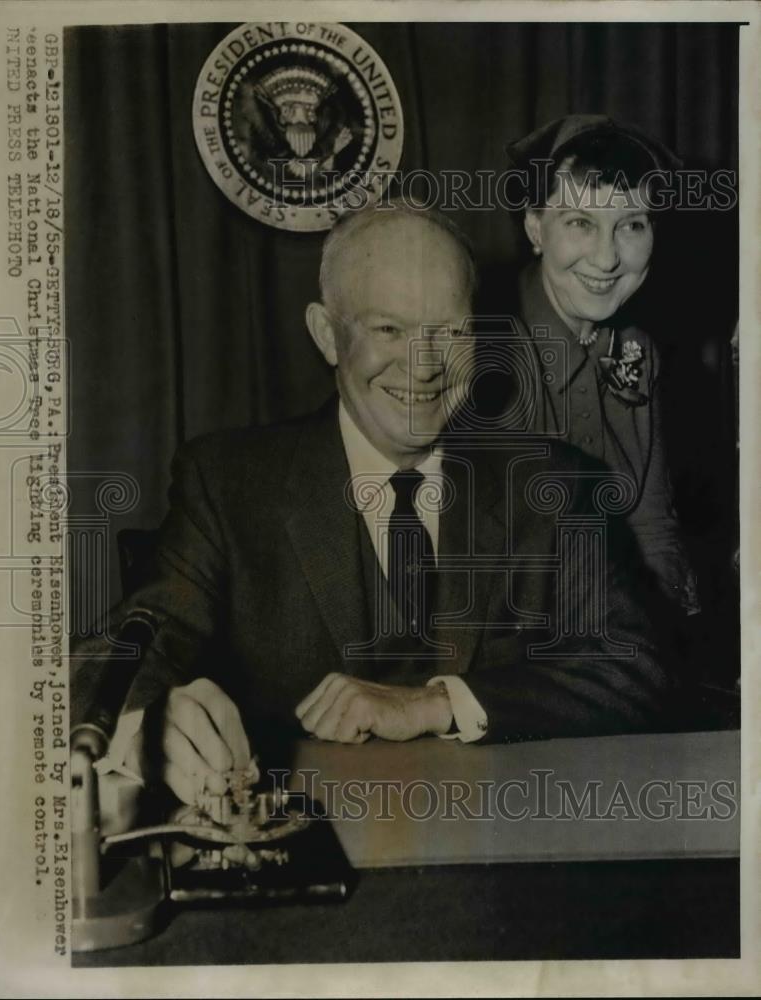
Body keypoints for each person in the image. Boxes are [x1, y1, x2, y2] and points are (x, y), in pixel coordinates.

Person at [72, 202, 672, 807]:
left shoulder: (556, 485)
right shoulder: (228, 485)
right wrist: (148, 718)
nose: (426, 366)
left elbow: (634, 670)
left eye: (452, 332)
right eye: (390, 329)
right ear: (328, 335)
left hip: (502, 861)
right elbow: (115, 654)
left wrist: (435, 702)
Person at [504, 114, 699, 617]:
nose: (608, 258)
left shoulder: (638, 349)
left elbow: (652, 525)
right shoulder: (485, 349)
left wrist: (664, 646)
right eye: (580, 224)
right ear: (535, 227)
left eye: (631, 225)